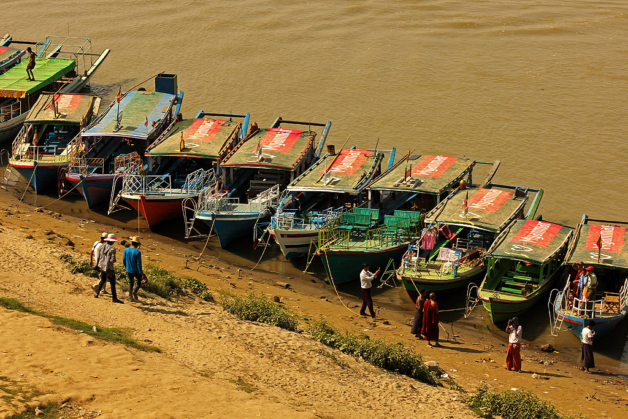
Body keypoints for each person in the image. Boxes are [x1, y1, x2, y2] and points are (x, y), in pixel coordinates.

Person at [94, 234, 123, 304]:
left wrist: (97, 264)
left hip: (102, 265)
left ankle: (97, 293)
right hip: (109, 267)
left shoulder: (101, 247)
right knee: (113, 282)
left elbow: (98, 256)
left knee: (102, 279)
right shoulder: (112, 249)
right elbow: (112, 260)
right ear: (112, 242)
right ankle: (114, 297)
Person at [123, 236, 144, 302]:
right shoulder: (137, 252)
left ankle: (130, 296)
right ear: (138, 244)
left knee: (130, 282)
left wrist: (126, 267)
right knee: (139, 281)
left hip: (129, 269)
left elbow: (124, 259)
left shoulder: (126, 250)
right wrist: (141, 273)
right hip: (136, 270)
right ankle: (135, 291)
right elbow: (139, 264)